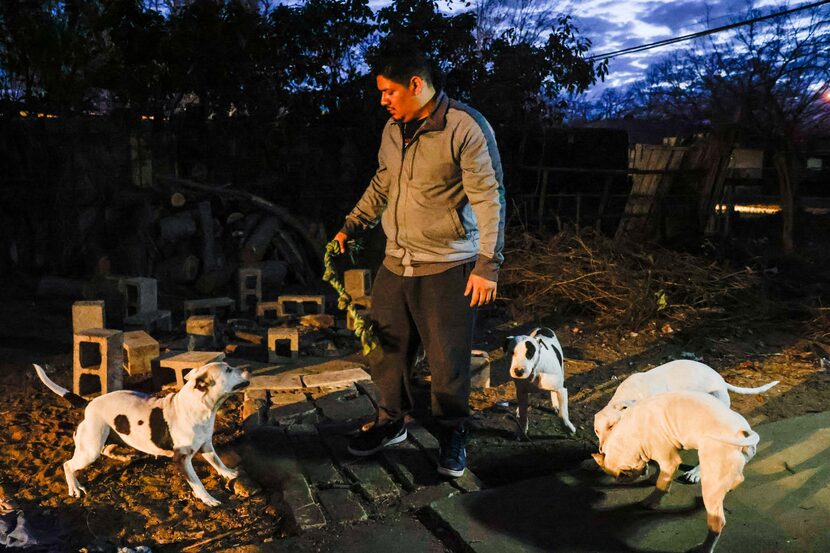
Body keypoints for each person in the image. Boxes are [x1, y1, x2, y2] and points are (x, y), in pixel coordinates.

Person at [333, 41, 505, 478]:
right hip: (396, 261)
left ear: (415, 85)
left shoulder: (465, 127)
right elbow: (382, 182)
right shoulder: (394, 131)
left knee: (447, 359)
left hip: (449, 264)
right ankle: (391, 421)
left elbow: (489, 196)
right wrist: (352, 225)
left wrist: (488, 264)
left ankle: (451, 432)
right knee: (386, 350)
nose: (382, 100)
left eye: (388, 91)